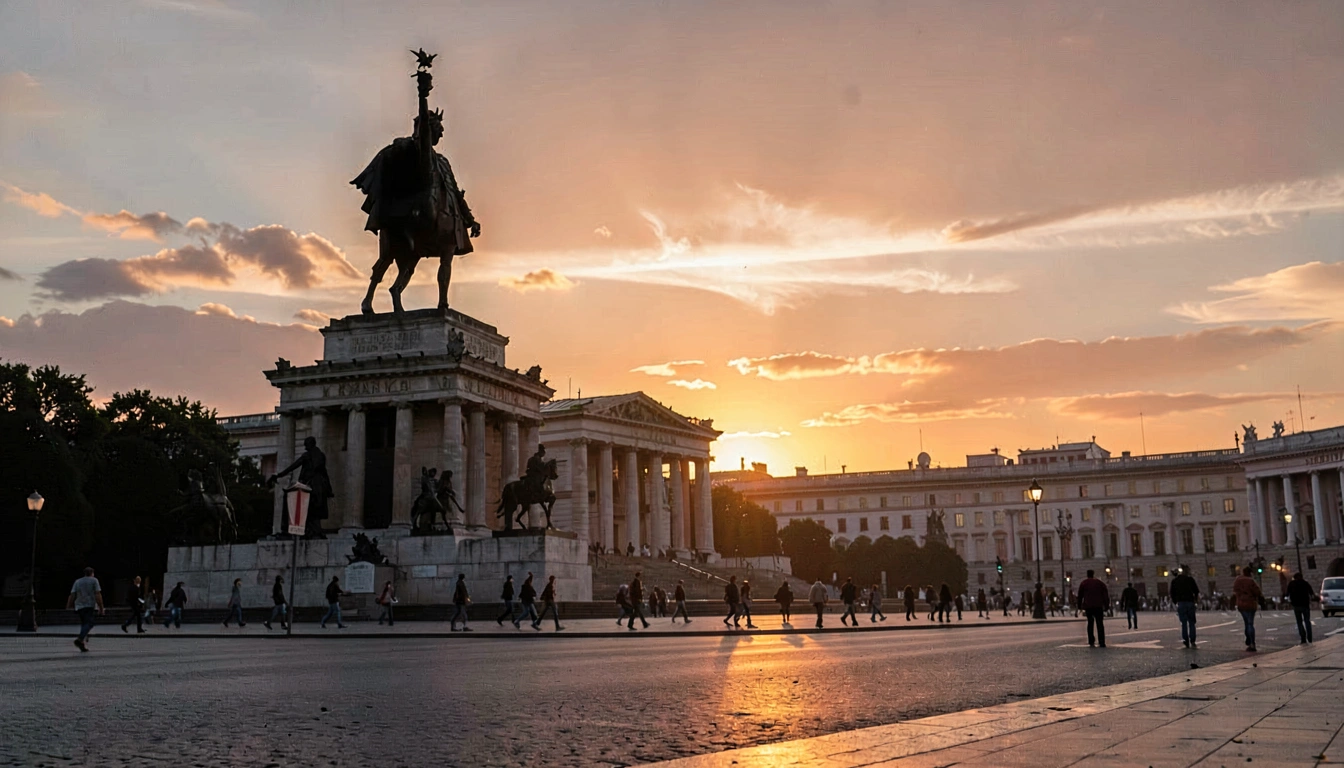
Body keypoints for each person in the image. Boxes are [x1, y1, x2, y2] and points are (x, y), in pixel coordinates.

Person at [67, 567, 104, 652]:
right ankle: (80, 639)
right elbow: (98, 594)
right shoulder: (94, 581)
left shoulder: (78, 581)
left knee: (84, 624)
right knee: (90, 623)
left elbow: (72, 594)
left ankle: (82, 645)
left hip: (79, 606)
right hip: (90, 605)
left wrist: (68, 605)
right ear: (92, 573)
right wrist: (101, 607)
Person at [1076, 569, 1109, 648]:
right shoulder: (1100, 583)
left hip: (1088, 606)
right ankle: (1101, 641)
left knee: (1090, 623)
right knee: (1100, 624)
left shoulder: (1084, 583)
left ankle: (1091, 640)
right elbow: (1105, 595)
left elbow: (1080, 596)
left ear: (1087, 574)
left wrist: (1079, 606)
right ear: (1093, 574)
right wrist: (1106, 605)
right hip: (1098, 606)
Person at [1232, 566, 1262, 652]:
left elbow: (1235, 591)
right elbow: (1257, 592)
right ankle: (1252, 643)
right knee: (1250, 623)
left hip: (1241, 603)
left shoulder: (1238, 580)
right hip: (1251, 603)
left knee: (1246, 623)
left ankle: (1248, 639)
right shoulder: (1251, 581)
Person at [1169, 568, 1200, 647]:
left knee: (1183, 623)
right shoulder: (1190, 579)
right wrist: (1195, 600)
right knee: (1192, 623)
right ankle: (1192, 640)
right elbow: (1196, 591)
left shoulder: (1174, 581)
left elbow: (1172, 594)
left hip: (1181, 603)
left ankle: (1186, 640)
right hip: (1190, 602)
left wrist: (1176, 602)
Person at [1286, 571, 1317, 645]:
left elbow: (1287, 593)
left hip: (1296, 605)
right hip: (1305, 604)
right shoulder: (1305, 583)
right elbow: (1312, 593)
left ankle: (1303, 637)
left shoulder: (1291, 584)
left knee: (1299, 621)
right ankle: (1310, 637)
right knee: (1307, 621)